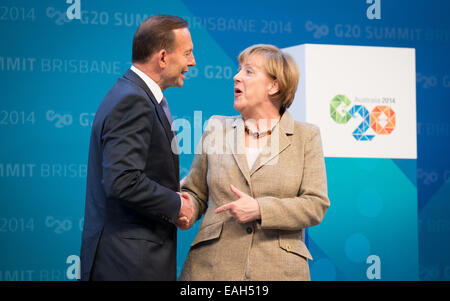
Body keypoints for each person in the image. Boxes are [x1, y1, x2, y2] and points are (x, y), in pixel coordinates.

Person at [178, 44, 330, 281]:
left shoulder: (306, 136)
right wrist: (184, 206)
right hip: (212, 270)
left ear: (274, 85)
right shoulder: (215, 129)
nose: (236, 76)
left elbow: (315, 204)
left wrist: (260, 209)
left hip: (278, 271)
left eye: (248, 71)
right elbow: (196, 193)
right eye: (239, 70)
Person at [80, 15, 196, 281]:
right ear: (163, 57)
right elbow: (122, 180)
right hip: (128, 264)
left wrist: (171, 188)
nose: (192, 62)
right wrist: (176, 203)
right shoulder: (133, 100)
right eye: (187, 53)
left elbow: (130, 173)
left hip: (129, 260)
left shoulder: (133, 94)